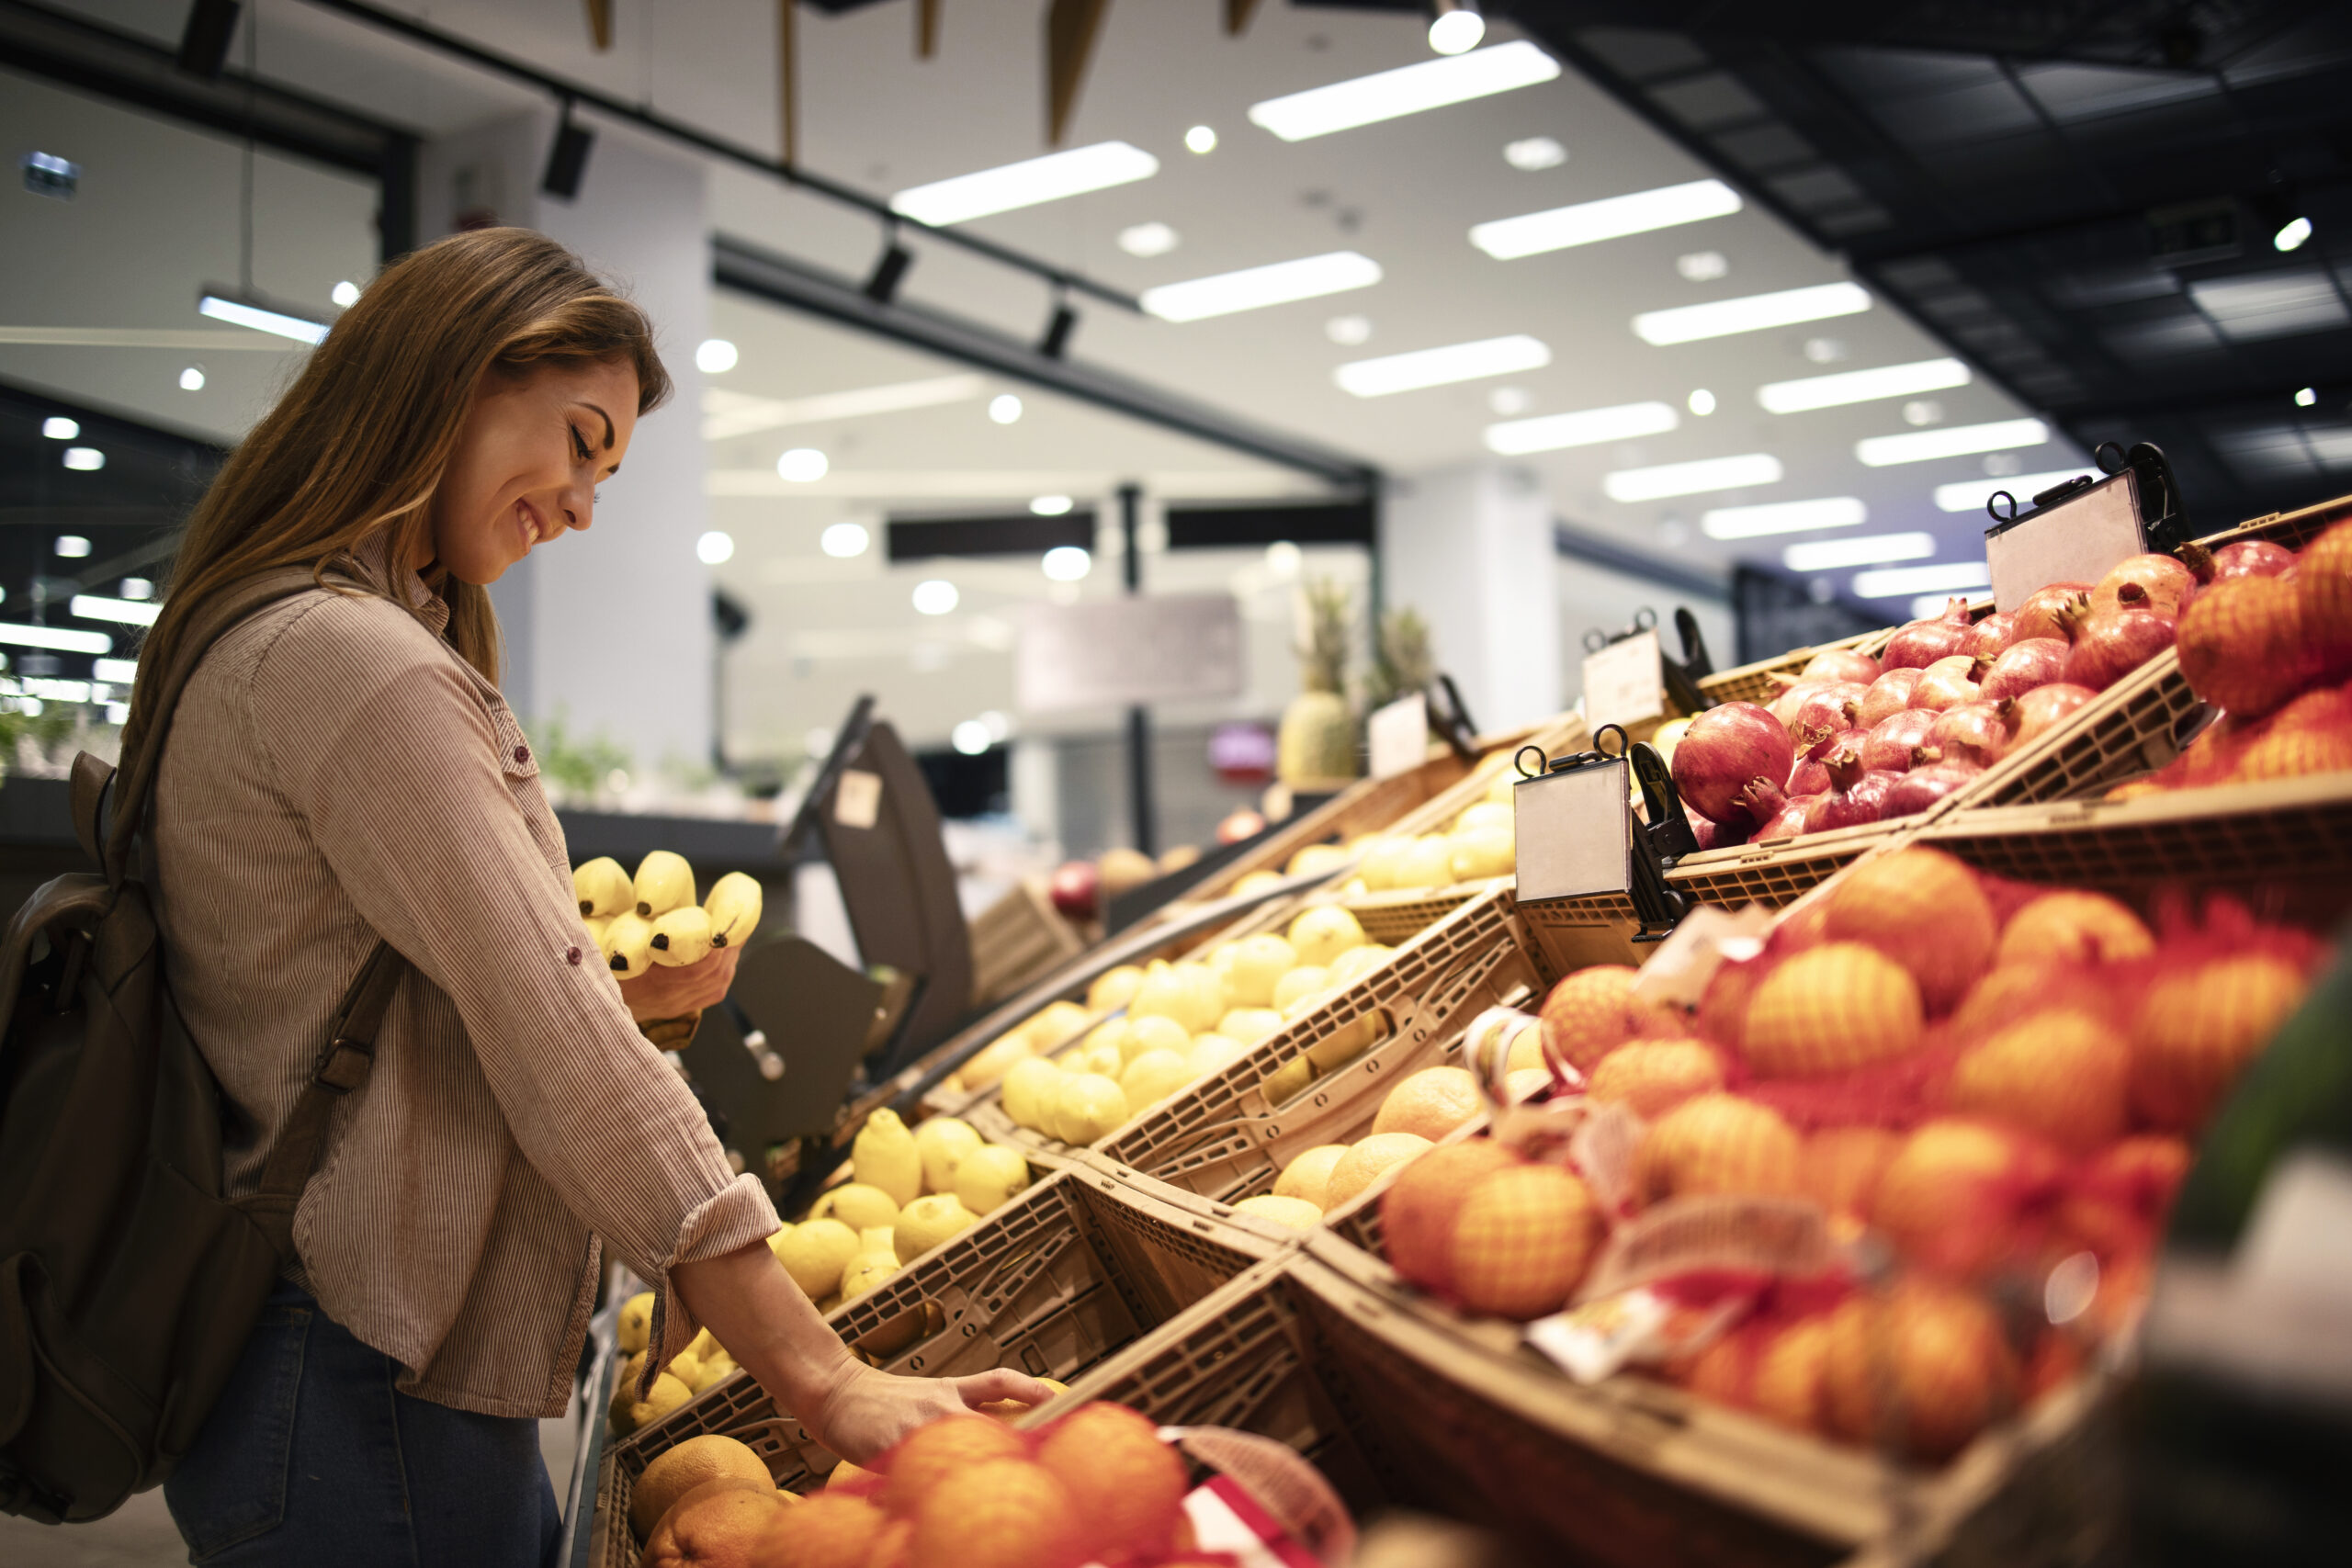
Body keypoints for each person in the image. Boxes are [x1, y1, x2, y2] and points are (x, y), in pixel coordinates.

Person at [138, 228, 1047, 1567]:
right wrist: (827, 1378)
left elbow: (372, 995)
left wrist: (626, 1002)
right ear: (457, 376)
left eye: (605, 473)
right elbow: (547, 1032)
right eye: (578, 440)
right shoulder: (353, 664)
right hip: (356, 1379)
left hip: (332, 1363)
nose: (578, 504)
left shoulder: (291, 631)